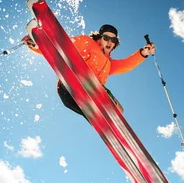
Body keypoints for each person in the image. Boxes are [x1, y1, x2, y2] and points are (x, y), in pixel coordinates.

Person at [21, 24, 155, 117]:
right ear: (100, 38)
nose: (109, 42)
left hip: (87, 98)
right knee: (104, 96)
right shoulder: (87, 42)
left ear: (115, 43)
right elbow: (61, 47)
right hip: (69, 88)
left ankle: (110, 129)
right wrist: (37, 44)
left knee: (119, 109)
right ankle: (96, 102)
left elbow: (126, 65)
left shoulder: (109, 63)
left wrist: (144, 52)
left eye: (113, 40)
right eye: (106, 38)